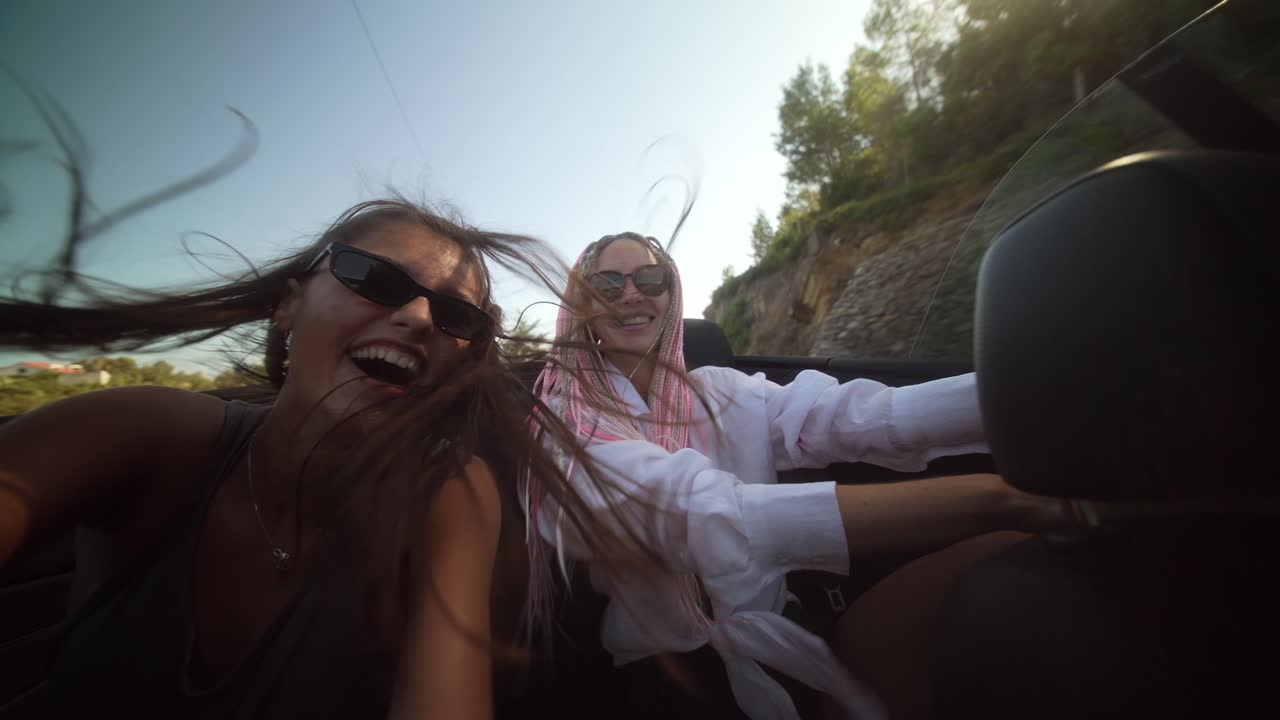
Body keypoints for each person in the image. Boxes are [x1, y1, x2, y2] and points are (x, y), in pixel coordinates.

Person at [0, 199, 658, 719]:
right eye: (374, 278)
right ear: (289, 305)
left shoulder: (451, 499)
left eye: (458, 316)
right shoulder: (141, 434)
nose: (421, 317)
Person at [531, 231, 1094, 720]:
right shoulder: (563, 424)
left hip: (789, 627)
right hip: (674, 678)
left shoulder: (720, 392)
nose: (632, 293)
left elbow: (851, 417)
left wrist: (1040, 394)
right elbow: (703, 514)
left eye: (650, 278)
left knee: (1018, 558)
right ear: (585, 309)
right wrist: (1000, 498)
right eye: (609, 285)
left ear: (670, 294)